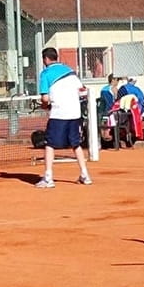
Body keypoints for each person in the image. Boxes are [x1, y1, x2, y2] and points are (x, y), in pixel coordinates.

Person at [34, 46, 92, 188]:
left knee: (50, 144)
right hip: (75, 114)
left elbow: (45, 98)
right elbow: (82, 91)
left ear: (45, 59)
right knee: (75, 144)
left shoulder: (45, 73)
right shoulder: (70, 71)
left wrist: (44, 104)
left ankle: (48, 178)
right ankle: (85, 175)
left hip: (59, 114)